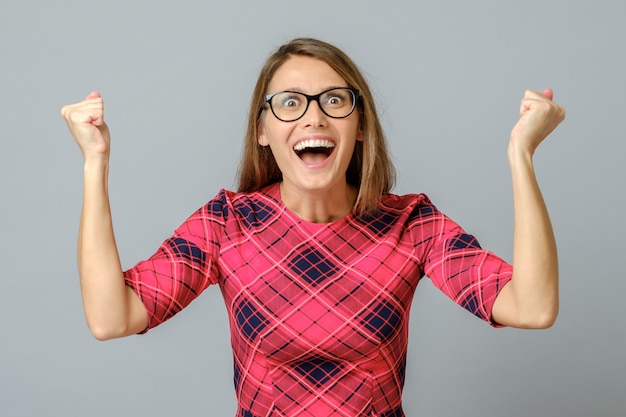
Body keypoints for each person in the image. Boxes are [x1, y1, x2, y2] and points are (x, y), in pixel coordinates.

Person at [61, 38, 565, 417]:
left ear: (360, 124)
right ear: (262, 131)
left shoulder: (412, 225)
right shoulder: (227, 224)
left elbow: (532, 305)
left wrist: (521, 155)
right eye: (289, 102)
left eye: (334, 101)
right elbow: (113, 318)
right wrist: (94, 163)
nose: (313, 118)